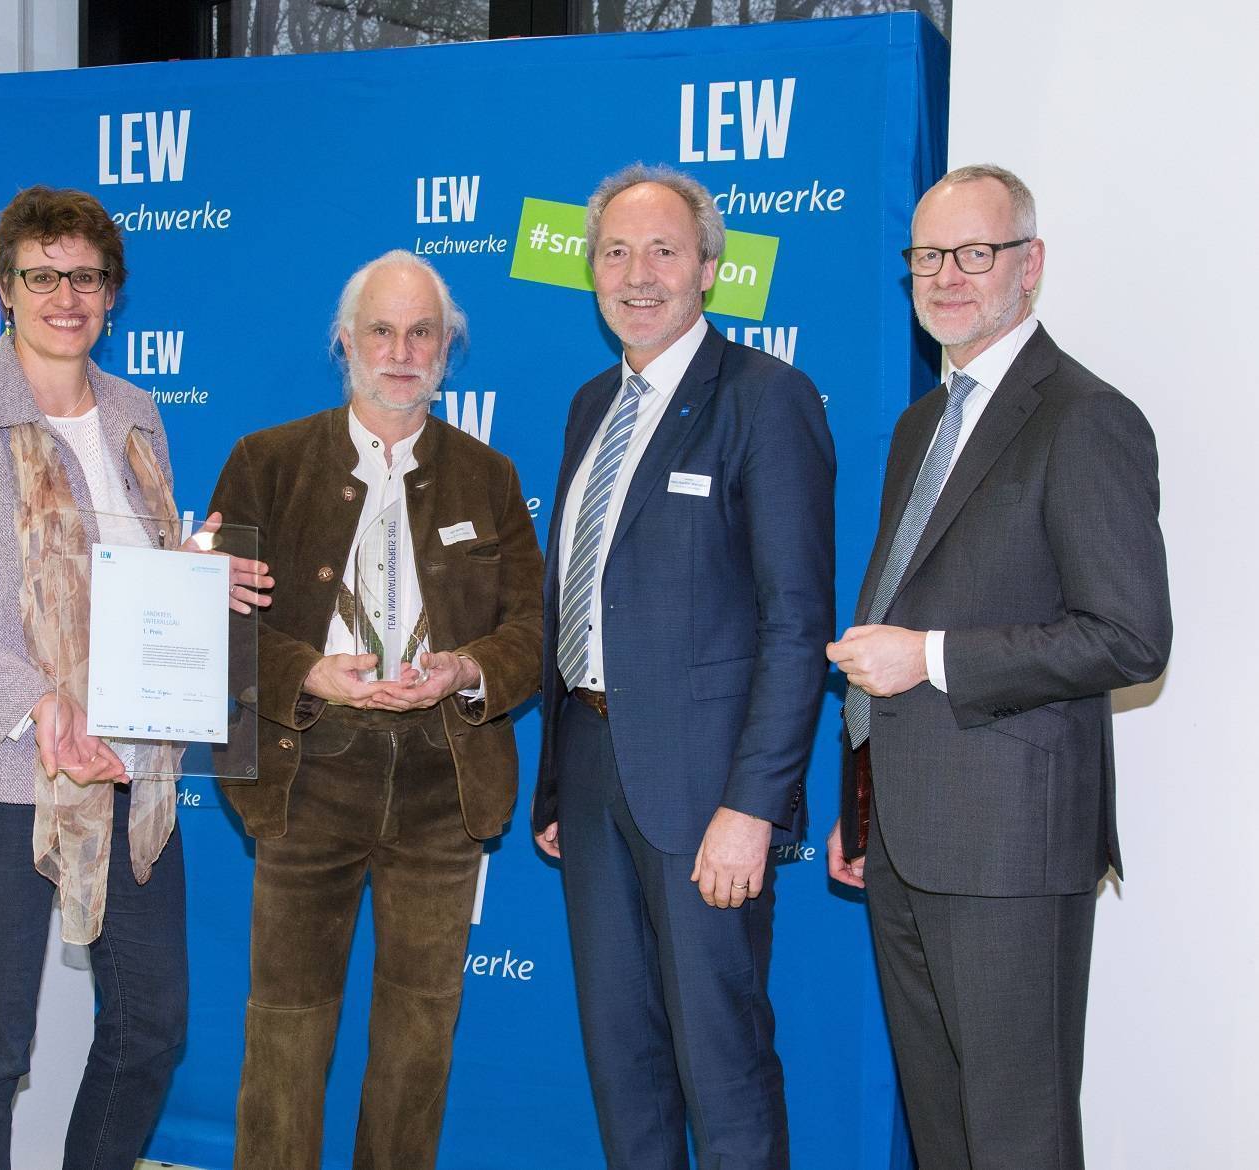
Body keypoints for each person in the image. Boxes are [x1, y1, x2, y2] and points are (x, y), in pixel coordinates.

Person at [0, 184, 270, 1170]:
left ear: (112, 294)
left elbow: (133, 579)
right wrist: (35, 704)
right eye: (43, 276)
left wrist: (194, 579)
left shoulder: (137, 410)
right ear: (6, 289)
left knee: (151, 1032)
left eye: (86, 277)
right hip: (4, 777)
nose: (66, 296)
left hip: (132, 774)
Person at [825, 164, 1172, 1170]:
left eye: (975, 253)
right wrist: (864, 794)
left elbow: (1129, 636)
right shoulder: (919, 425)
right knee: (943, 1135)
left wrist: (930, 658)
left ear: (1031, 266)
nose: (948, 277)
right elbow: (898, 605)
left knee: (1017, 1141)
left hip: (1012, 852)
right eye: (929, 255)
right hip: (901, 837)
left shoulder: (1083, 417)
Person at [207, 249, 543, 1170]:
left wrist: (464, 669)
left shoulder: (490, 476)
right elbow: (215, 626)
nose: (402, 350)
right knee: (285, 1032)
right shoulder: (265, 463)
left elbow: (530, 634)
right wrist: (309, 674)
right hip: (307, 778)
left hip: (445, 785)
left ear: (448, 348)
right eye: (382, 331)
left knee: (417, 1042)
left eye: (422, 332)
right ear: (345, 343)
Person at [532, 164, 835, 1170]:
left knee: (724, 1069)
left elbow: (797, 625)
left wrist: (753, 806)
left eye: (664, 250)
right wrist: (556, 787)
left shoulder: (767, 398)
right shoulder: (589, 406)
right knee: (623, 1066)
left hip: (707, 799)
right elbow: (574, 600)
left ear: (710, 266)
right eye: (615, 252)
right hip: (594, 778)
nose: (638, 274)